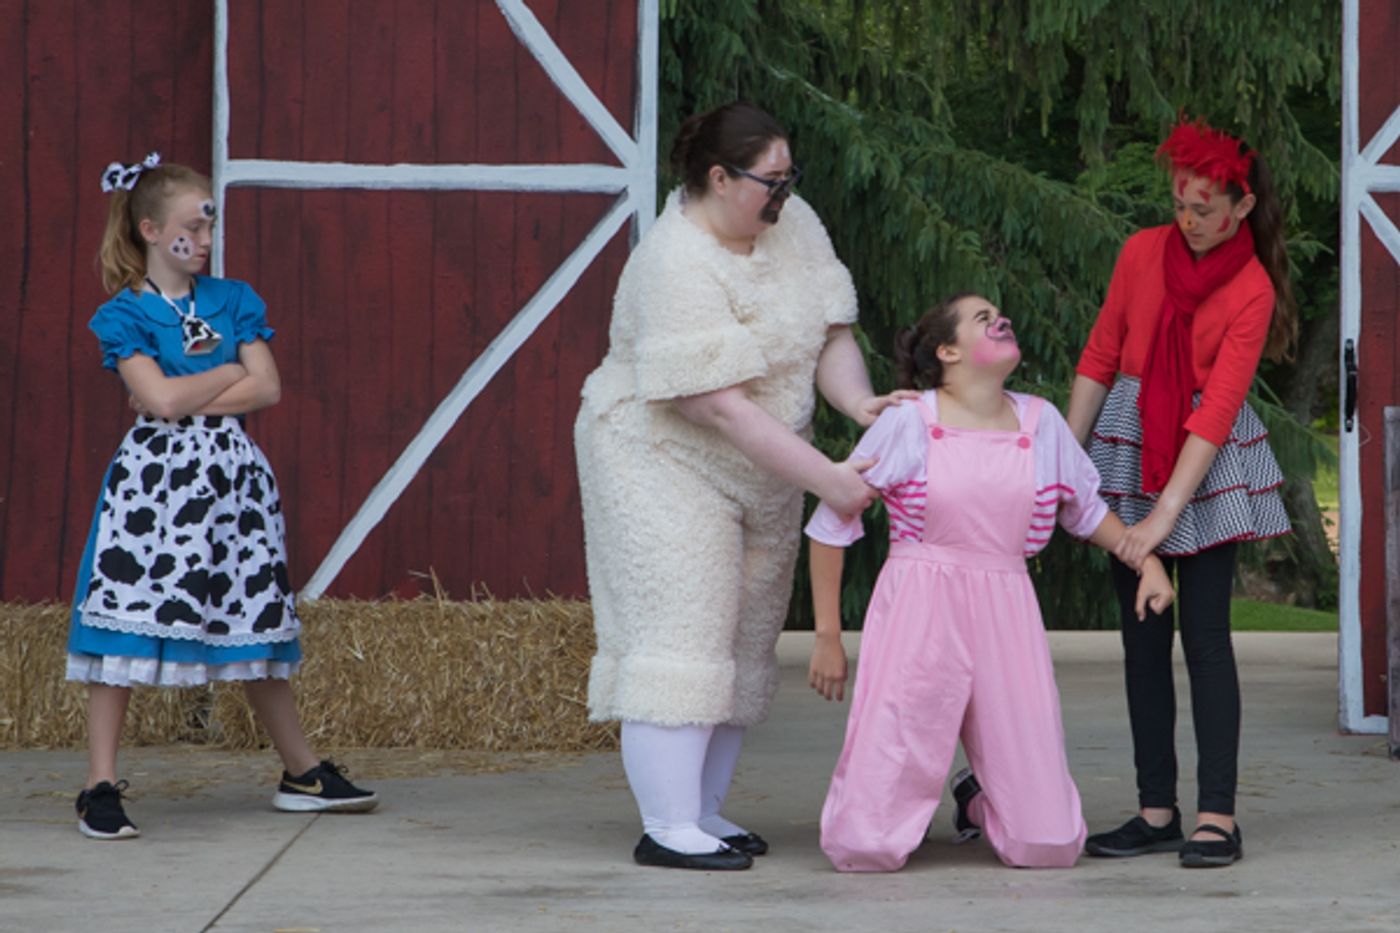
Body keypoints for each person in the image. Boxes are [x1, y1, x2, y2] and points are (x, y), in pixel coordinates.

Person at [574, 102, 906, 871]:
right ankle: (666, 824)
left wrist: (858, 405)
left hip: (765, 462)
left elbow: (831, 331)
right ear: (720, 179)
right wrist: (831, 479)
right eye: (770, 182)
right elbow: (715, 403)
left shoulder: (794, 224)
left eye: (791, 179)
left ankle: (705, 810)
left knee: (747, 635)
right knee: (683, 630)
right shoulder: (672, 262)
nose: (784, 196)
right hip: (661, 456)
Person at [806, 293, 1176, 873]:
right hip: (920, 607)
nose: (999, 319)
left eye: (1000, 313)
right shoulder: (909, 421)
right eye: (982, 318)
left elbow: (1084, 510)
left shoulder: (1042, 420)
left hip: (1007, 607)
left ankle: (977, 798)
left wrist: (1145, 562)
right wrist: (828, 636)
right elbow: (832, 522)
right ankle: (887, 810)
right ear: (948, 351)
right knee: (866, 848)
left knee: (1049, 846)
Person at [69, 153, 377, 840]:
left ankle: (301, 770)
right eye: (191, 226)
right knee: (126, 615)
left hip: (233, 481)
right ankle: (98, 784)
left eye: (209, 225)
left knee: (252, 610)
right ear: (150, 229)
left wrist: (187, 392)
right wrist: (224, 370)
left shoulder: (233, 298)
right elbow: (161, 398)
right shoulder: (123, 314)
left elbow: (264, 388)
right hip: (155, 488)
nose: (205, 239)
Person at [1066, 118, 1296, 868]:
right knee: (1140, 645)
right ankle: (1155, 809)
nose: (1189, 219)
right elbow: (1101, 353)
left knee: (1204, 641)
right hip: (1130, 448)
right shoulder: (1140, 253)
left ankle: (1217, 816)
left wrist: (1163, 516)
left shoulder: (1251, 288)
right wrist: (1063, 458)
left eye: (1204, 207)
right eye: (1179, 203)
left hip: (1204, 457)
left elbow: (1219, 406)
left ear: (1240, 206)